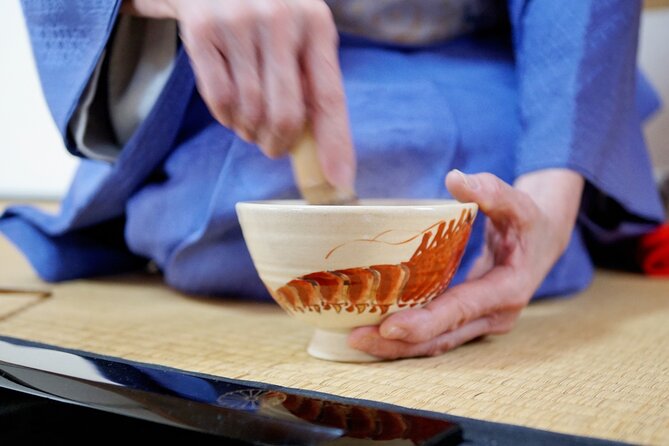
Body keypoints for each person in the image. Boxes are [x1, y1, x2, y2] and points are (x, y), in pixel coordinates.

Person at [1, 0, 664, 359]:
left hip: (487, 59)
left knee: (438, 163)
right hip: (246, 55)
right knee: (270, 176)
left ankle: (545, 236)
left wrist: (551, 189)